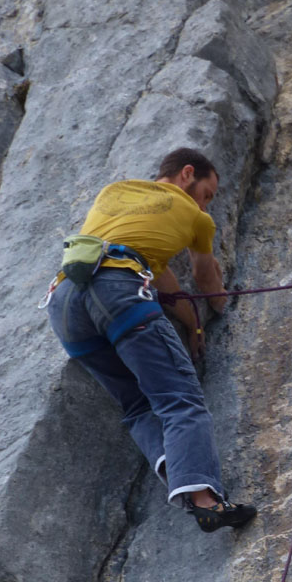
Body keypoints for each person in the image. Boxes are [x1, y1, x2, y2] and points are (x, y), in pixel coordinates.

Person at [46, 147, 256, 533]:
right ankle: (207, 500)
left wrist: (191, 324)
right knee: (181, 400)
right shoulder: (197, 218)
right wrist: (225, 303)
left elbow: (158, 274)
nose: (206, 205)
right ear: (186, 173)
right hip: (119, 291)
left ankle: (182, 478)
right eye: (207, 193)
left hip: (64, 302)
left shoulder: (115, 192)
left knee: (139, 406)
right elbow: (206, 281)